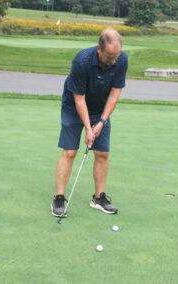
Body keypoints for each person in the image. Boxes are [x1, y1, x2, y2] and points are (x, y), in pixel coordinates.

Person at [51, 28, 128, 217]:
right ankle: (59, 198)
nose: (114, 61)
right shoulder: (82, 61)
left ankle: (98, 198)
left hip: (100, 108)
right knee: (70, 151)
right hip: (74, 105)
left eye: (116, 56)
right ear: (99, 49)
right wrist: (88, 128)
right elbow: (79, 99)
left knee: (102, 153)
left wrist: (101, 121)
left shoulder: (121, 59)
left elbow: (114, 94)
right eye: (110, 57)